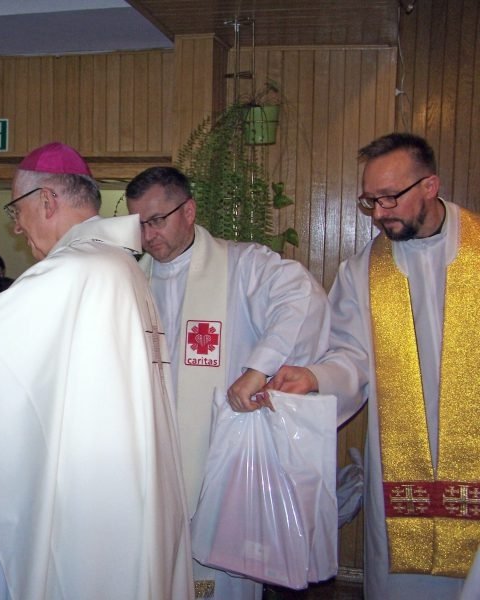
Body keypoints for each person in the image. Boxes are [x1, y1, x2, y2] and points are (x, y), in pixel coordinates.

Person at [0, 142, 193, 599]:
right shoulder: (116, 267)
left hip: (84, 502)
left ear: (46, 200)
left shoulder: (70, 272)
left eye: (16, 210)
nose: (17, 226)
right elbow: (24, 355)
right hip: (119, 490)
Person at [267, 133, 477, 599]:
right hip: (403, 465)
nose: (379, 213)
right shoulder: (364, 270)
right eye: (370, 201)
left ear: (430, 186)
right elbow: (351, 355)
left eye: (389, 198)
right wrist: (315, 377)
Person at [125, 166, 330, 599]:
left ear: (189, 211)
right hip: (150, 466)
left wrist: (259, 368)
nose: (147, 236)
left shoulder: (243, 266)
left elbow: (302, 297)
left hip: (216, 467)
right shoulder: (130, 280)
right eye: (138, 224)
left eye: (156, 220)